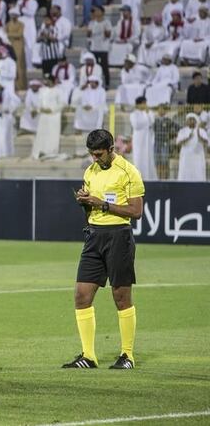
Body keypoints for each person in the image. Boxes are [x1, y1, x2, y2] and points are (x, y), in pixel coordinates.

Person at [67, 129, 144, 370]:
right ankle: (88, 357)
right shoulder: (90, 171)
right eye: (91, 154)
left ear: (112, 149)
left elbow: (136, 212)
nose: (95, 159)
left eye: (99, 154)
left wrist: (103, 204)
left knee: (121, 297)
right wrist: (85, 202)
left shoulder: (128, 172)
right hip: (94, 236)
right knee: (81, 295)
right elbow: (92, 210)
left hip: (119, 237)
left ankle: (127, 356)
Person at [32, 76, 64, 159]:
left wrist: (52, 110)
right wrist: (40, 109)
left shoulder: (59, 91)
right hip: (43, 115)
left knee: (52, 134)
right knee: (42, 134)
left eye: (49, 81)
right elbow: (39, 102)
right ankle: (40, 152)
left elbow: (62, 103)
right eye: (46, 80)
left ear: (53, 81)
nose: (47, 82)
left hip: (54, 116)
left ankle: (51, 152)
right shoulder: (42, 90)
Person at [0, 81, 20, 158]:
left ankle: (7, 153)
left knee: (6, 135)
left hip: (7, 116)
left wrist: (10, 109)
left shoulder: (8, 90)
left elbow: (17, 101)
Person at [129, 97, 158, 180]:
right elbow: (136, 125)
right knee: (139, 158)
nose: (145, 105)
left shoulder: (149, 112)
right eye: (143, 103)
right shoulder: (133, 114)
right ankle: (139, 178)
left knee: (148, 157)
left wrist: (147, 113)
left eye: (145, 103)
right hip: (139, 139)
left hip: (148, 139)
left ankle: (149, 178)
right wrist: (146, 124)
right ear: (138, 104)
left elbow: (152, 122)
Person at [176, 114, 209, 181]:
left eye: (193, 119)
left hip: (198, 158)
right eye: (189, 119)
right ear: (187, 121)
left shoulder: (201, 130)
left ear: (196, 121)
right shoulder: (182, 131)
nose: (191, 121)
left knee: (198, 175)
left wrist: (200, 136)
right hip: (186, 158)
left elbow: (207, 142)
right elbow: (178, 143)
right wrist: (188, 138)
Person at [5, 8, 26, 88]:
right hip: (10, 45)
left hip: (18, 45)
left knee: (19, 65)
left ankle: (20, 85)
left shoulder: (21, 24)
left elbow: (20, 34)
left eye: (15, 15)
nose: (13, 16)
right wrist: (11, 35)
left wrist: (9, 34)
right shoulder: (8, 24)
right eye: (12, 15)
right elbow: (4, 33)